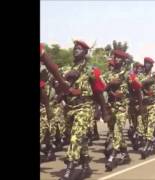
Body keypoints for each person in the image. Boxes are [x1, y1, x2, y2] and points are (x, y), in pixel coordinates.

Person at [59, 40, 94, 180]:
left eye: (79, 49)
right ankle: (85, 166)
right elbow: (57, 85)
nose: (75, 50)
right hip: (69, 108)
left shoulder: (90, 69)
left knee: (75, 137)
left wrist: (101, 109)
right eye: (75, 48)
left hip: (84, 107)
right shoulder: (67, 68)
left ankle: (70, 168)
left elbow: (98, 90)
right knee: (80, 138)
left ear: (85, 52)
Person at [104, 49, 131, 171]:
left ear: (124, 60)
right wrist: (109, 85)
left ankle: (113, 156)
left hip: (121, 107)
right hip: (111, 106)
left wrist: (111, 87)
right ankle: (125, 154)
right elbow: (102, 85)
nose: (117, 59)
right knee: (113, 131)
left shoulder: (126, 73)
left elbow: (124, 88)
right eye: (116, 57)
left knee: (118, 130)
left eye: (120, 58)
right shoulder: (109, 73)